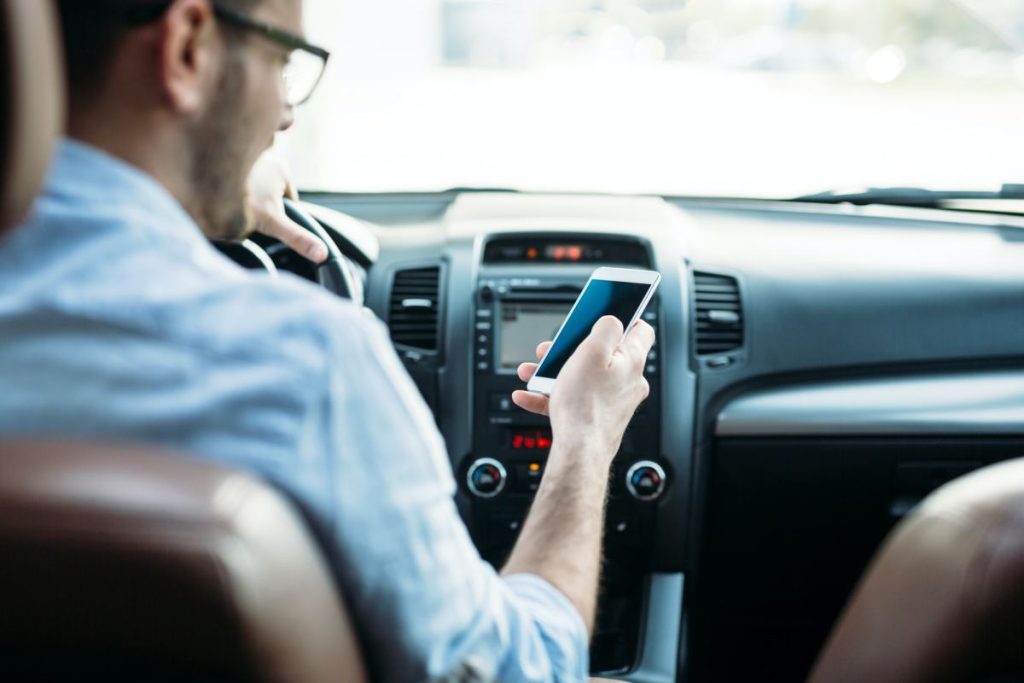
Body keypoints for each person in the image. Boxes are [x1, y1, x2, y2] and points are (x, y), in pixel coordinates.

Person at [0, 0, 655, 680]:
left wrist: (196, 190)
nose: (284, 118)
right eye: (282, 62)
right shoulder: (306, 363)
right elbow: (522, 668)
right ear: (187, 48)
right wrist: (585, 438)